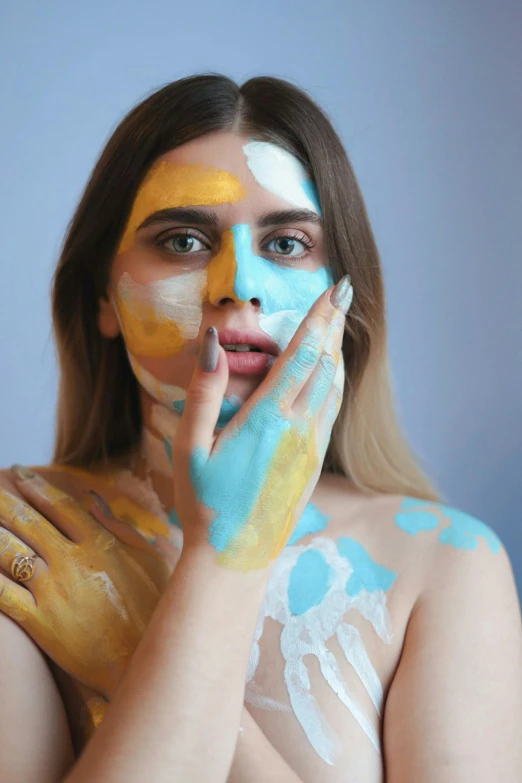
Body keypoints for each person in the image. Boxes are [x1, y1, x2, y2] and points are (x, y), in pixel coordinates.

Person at [0, 73, 520, 783]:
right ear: (102, 299)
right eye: (182, 240)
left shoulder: (445, 562)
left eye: (285, 244)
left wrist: (142, 646)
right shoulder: (26, 535)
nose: (237, 284)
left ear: (344, 288)